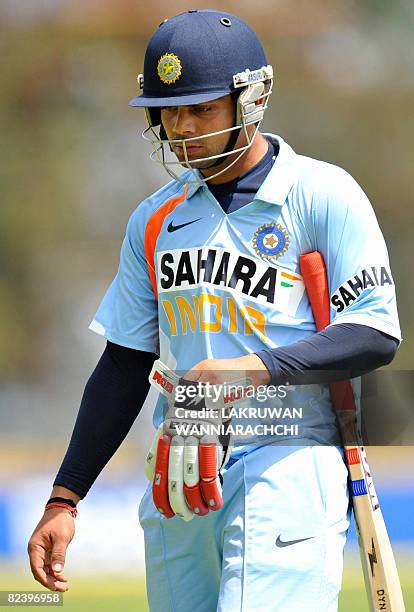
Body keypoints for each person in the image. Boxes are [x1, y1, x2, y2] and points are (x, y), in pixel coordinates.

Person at [28, 10, 401, 611]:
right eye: (168, 111)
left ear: (250, 99)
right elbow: (124, 362)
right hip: (180, 464)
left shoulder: (321, 194)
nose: (182, 128)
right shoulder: (154, 218)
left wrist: (249, 370)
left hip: (288, 454)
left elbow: (374, 333)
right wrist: (65, 497)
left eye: (201, 108)